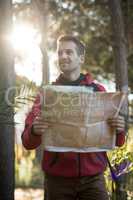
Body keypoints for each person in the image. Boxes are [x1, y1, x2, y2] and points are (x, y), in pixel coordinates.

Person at [22, 35, 126, 200]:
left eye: (69, 52)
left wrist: (120, 130)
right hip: (57, 181)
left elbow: (119, 142)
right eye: (60, 53)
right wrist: (35, 129)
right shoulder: (46, 94)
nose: (63, 56)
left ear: (81, 58)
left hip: (94, 180)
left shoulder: (98, 91)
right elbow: (27, 142)